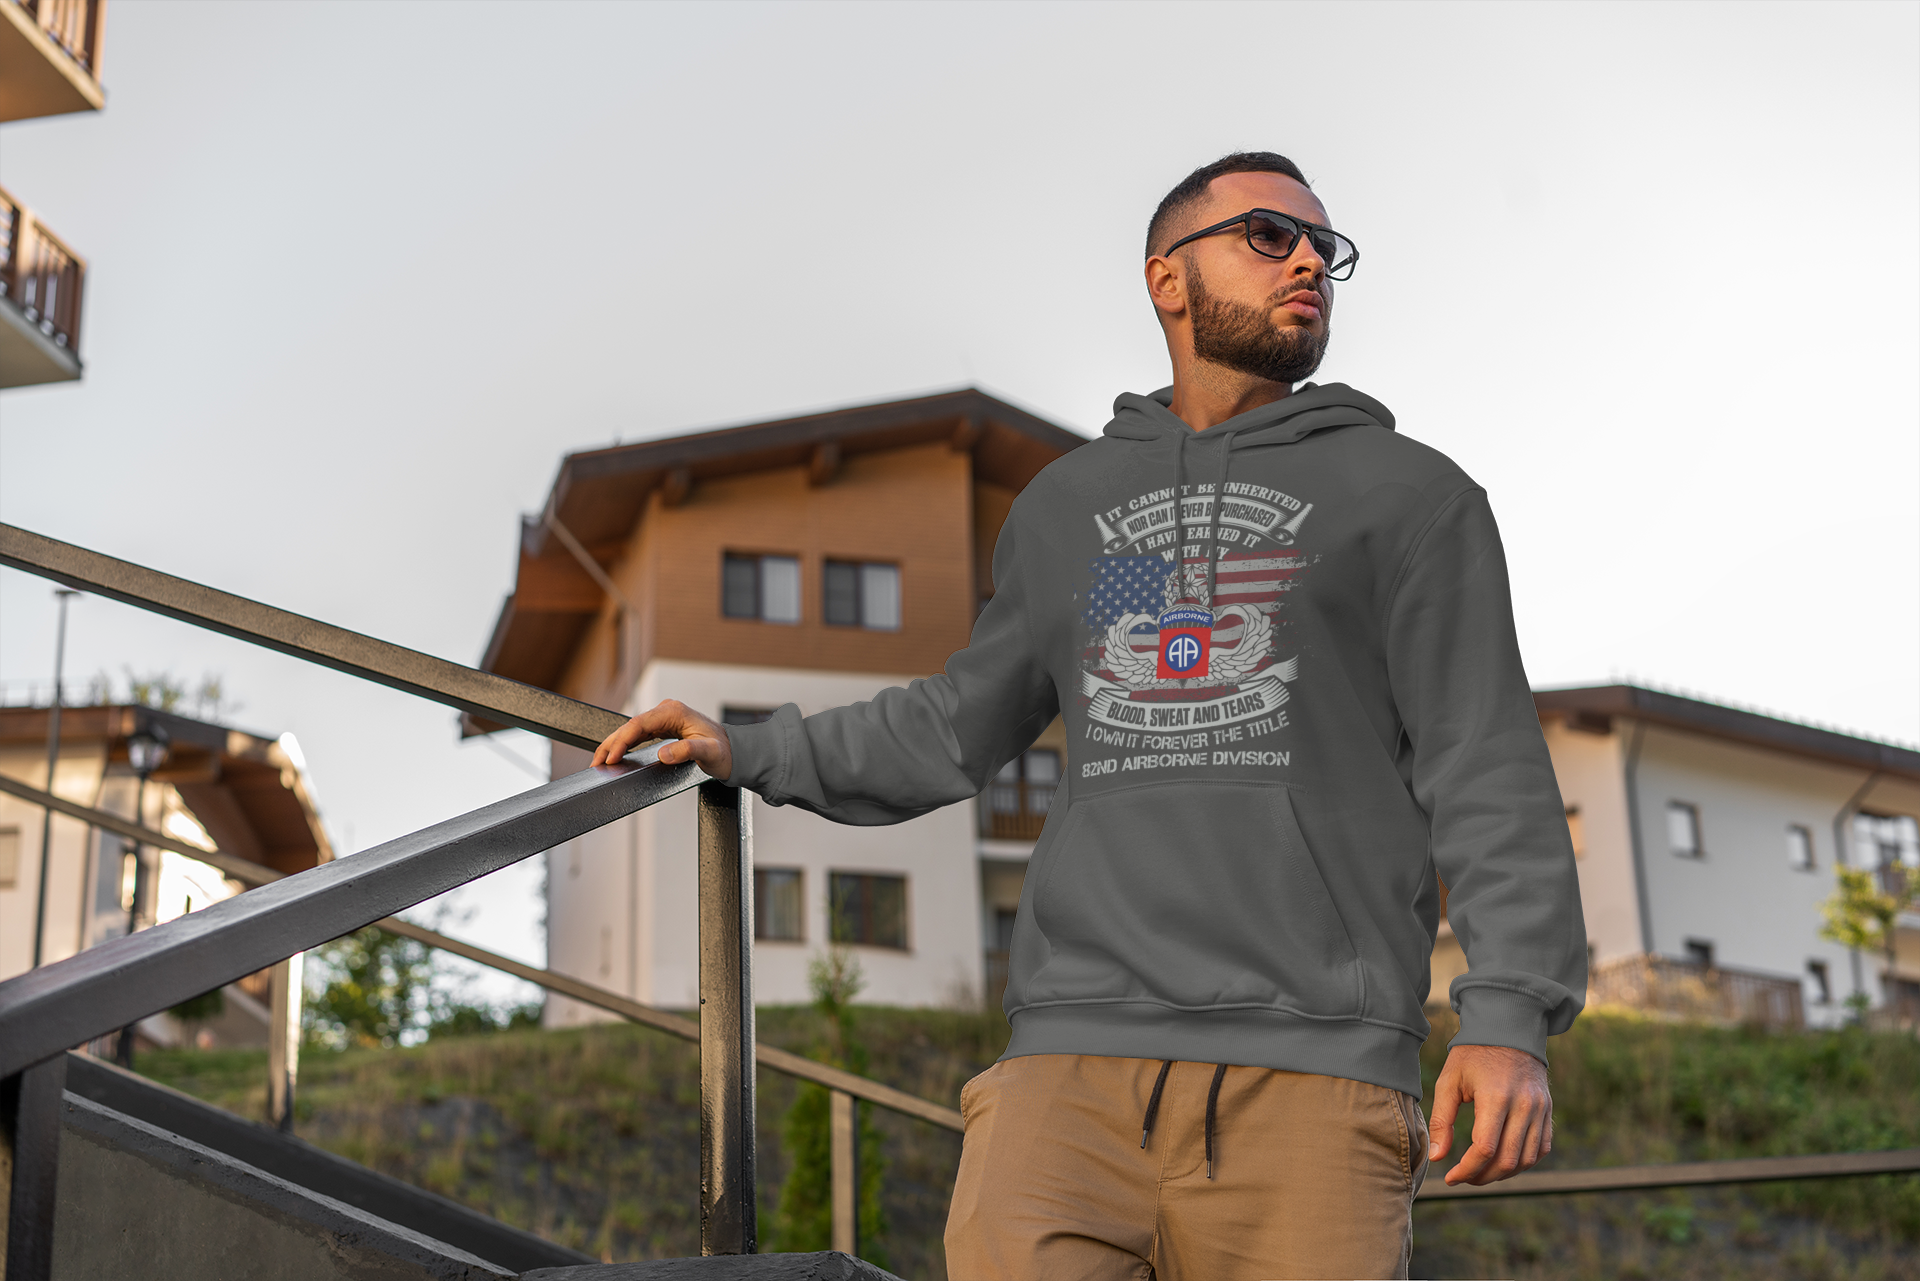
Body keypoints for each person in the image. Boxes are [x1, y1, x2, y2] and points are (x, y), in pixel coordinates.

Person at [592, 151, 1587, 1280]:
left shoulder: (1413, 496)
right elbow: (957, 724)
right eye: (1270, 235)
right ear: (1168, 278)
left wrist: (1509, 1016)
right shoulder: (1068, 508)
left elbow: (1484, 761)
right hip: (1062, 1083)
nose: (1309, 261)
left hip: (1313, 1079)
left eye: (1326, 247)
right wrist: (754, 747)